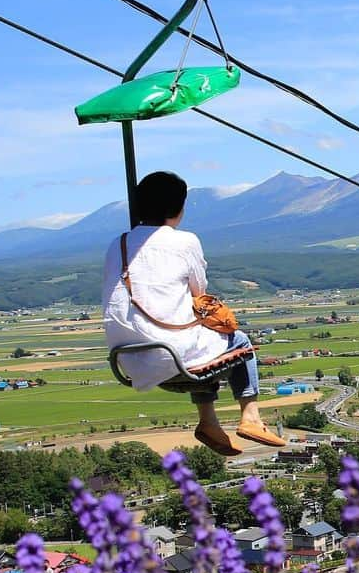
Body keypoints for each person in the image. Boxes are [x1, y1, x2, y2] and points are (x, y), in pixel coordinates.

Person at [102, 171, 286, 456]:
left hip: (127, 359)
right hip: (171, 357)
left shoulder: (119, 244)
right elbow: (199, 291)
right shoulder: (184, 241)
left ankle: (209, 421)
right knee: (237, 339)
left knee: (198, 339)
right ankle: (251, 416)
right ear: (179, 207)